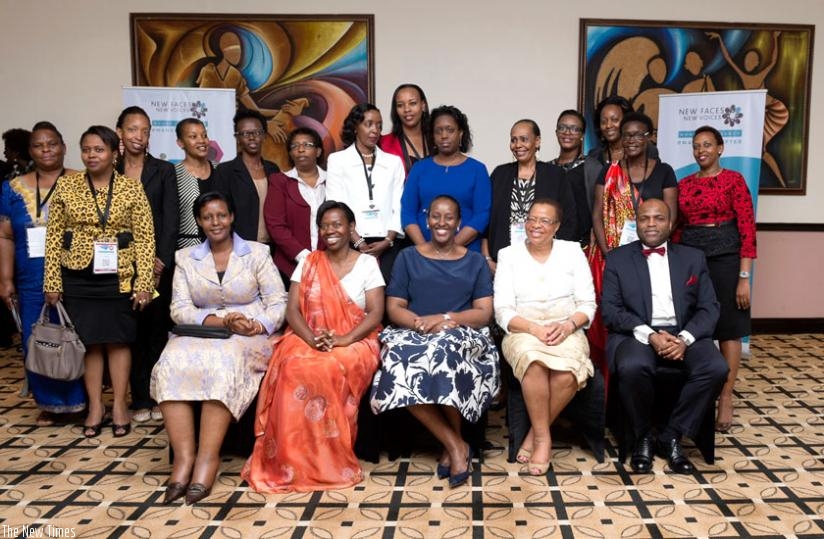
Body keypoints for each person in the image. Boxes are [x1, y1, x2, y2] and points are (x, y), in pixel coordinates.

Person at [150, 192, 286, 505]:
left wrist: (258, 324)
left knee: (223, 363)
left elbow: (278, 301)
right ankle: (183, 460)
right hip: (201, 332)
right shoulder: (186, 258)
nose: (216, 222)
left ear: (232, 217)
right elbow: (179, 309)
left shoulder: (257, 253)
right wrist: (222, 322)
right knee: (169, 362)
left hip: (249, 335)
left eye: (221, 215)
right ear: (199, 221)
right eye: (208, 217)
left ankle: (207, 461)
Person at [243, 201, 384, 493]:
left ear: (351, 228)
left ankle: (326, 461)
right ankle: (290, 462)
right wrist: (310, 338)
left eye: (337, 224)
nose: (331, 230)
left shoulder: (367, 263)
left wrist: (343, 340)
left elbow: (375, 314)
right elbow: (293, 310)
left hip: (356, 338)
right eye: (325, 225)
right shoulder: (309, 262)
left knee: (330, 366)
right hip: (308, 335)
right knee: (293, 366)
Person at [371, 195, 500, 488]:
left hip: (463, 332)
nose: (442, 223)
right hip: (414, 331)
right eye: (436, 217)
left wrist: (445, 320)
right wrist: (421, 323)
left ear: (458, 223)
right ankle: (455, 444)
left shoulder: (475, 261)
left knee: (446, 352)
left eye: (449, 217)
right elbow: (394, 308)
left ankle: (451, 448)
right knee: (398, 364)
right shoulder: (408, 257)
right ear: (427, 220)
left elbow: (483, 312)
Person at [44, 125, 155, 439]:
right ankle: (95, 406)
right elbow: (53, 238)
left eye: (99, 150)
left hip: (119, 276)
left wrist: (144, 282)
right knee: (89, 344)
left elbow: (146, 240)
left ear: (114, 153)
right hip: (78, 277)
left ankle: (119, 405)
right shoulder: (66, 187)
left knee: (118, 341)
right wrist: (52, 281)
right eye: (87, 150)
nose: (91, 155)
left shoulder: (132, 189)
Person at [601, 199, 728, 474]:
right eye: (645, 218)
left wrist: (684, 339)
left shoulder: (693, 258)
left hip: (684, 332)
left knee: (716, 367)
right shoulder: (617, 259)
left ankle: (672, 434)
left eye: (658, 218)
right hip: (636, 333)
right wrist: (650, 336)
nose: (651, 224)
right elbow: (611, 311)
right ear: (636, 223)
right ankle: (642, 435)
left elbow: (709, 307)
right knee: (634, 366)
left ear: (670, 224)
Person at [493, 199, 596, 475]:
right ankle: (543, 439)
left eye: (545, 221)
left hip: (567, 328)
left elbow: (588, 304)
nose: (536, 225)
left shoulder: (572, 252)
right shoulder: (508, 255)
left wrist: (567, 326)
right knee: (534, 363)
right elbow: (502, 311)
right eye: (532, 219)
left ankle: (534, 435)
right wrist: (534, 329)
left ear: (557, 226)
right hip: (523, 331)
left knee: (566, 375)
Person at [0, 121, 86, 425]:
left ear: (63, 146)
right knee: (37, 337)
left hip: (77, 273)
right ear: (30, 150)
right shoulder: (12, 187)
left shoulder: (83, 181)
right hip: (31, 275)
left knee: (77, 336)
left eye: (52, 143)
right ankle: (49, 403)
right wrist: (6, 278)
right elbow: (6, 236)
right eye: (38, 145)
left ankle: (81, 401)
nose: (46, 150)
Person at [675, 126, 757, 432]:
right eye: (697, 146)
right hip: (692, 259)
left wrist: (744, 277)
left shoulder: (734, 180)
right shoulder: (683, 185)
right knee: (695, 326)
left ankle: (725, 395)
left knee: (729, 329)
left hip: (726, 258)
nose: (701, 151)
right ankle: (701, 390)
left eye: (707, 145)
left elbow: (748, 229)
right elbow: (677, 229)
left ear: (720, 148)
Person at [589, 112, 678, 368]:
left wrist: (650, 250)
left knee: (649, 307)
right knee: (614, 317)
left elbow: (671, 216)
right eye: (627, 135)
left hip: (653, 255)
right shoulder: (608, 171)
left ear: (649, 137)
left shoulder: (664, 171)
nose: (632, 140)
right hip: (613, 257)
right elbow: (596, 214)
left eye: (638, 134)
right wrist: (609, 253)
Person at [116, 106, 180, 424]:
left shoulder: (164, 170)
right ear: (119, 133)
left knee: (156, 331)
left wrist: (160, 261)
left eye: (144, 130)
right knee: (128, 333)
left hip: (156, 266)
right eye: (132, 129)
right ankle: (137, 396)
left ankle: (157, 395)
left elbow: (171, 219)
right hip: (119, 266)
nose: (138, 136)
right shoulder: (109, 168)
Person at [484, 119, 578, 270]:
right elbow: (486, 222)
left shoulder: (555, 175)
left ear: (537, 141)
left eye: (524, 139)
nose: (518, 145)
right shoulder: (499, 174)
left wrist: (553, 259)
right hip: (504, 262)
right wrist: (488, 260)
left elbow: (570, 221)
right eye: (513, 140)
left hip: (545, 263)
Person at [326, 103, 405, 281]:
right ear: (355, 127)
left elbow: (399, 204)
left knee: (388, 296)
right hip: (351, 241)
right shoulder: (338, 161)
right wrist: (358, 242)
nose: (375, 130)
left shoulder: (393, 162)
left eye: (379, 125)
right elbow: (336, 205)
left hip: (388, 243)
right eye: (368, 124)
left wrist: (388, 240)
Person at [401, 106, 491, 254]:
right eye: (438, 131)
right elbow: (407, 213)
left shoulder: (477, 169)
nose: (444, 135)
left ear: (460, 133)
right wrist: (426, 249)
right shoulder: (419, 168)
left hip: (465, 253)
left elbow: (482, 215)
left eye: (450, 130)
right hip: (422, 254)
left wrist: (450, 248)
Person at [263, 127, 327, 285]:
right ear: (290, 154)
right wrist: (303, 256)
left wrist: (326, 259)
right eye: (294, 146)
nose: (300, 149)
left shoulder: (333, 180)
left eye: (307, 144)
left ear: (318, 151)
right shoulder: (279, 181)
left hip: (329, 264)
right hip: (289, 267)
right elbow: (275, 225)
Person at [214, 109, 280, 245]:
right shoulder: (225, 171)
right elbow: (220, 212)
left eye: (257, 132)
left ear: (264, 136)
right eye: (245, 133)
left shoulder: (273, 169)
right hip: (239, 247)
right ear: (237, 138)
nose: (252, 137)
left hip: (272, 247)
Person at [550, 110, 593, 246]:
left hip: (582, 245)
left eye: (574, 129)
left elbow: (599, 207)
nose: (567, 133)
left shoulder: (592, 167)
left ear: (582, 135)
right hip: (549, 242)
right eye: (562, 127)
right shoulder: (546, 169)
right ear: (556, 132)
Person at [174, 118, 216, 249]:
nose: (202, 140)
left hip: (220, 247)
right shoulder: (173, 174)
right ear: (180, 143)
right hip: (186, 249)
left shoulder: (221, 170)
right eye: (193, 136)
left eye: (204, 135)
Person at [379, 83, 431, 175]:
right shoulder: (384, 143)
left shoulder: (436, 140)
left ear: (423, 106)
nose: (406, 109)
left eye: (412, 103)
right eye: (400, 105)